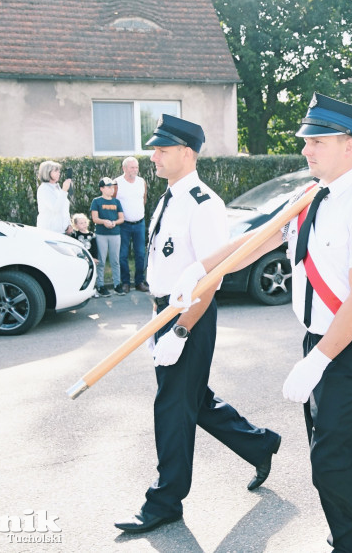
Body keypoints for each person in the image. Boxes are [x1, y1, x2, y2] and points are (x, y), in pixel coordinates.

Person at [170, 95, 352, 552]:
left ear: (348, 145)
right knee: (325, 458)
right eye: (306, 141)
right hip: (317, 341)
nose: (306, 150)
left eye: (317, 141)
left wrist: (318, 361)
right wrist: (201, 270)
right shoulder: (309, 198)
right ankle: (348, 539)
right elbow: (254, 241)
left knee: (331, 460)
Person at [114, 114, 281, 534]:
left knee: (172, 407)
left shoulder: (204, 204)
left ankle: (165, 500)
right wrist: (157, 316)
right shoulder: (169, 196)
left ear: (186, 154)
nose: (153, 156)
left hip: (189, 316)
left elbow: (212, 277)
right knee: (190, 399)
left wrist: (181, 329)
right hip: (165, 313)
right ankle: (259, 442)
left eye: (162, 150)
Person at [115, 156, 149, 293]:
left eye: (136, 167)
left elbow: (144, 199)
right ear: (124, 168)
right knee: (122, 254)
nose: (135, 170)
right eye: (132, 167)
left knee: (140, 254)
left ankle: (140, 282)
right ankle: (125, 283)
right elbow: (113, 203)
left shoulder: (141, 182)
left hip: (139, 223)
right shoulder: (117, 183)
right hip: (123, 225)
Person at [90, 177, 125, 297]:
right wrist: (104, 221)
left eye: (112, 187)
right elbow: (95, 218)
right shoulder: (96, 201)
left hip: (115, 234)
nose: (112, 189)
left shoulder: (116, 202)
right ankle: (100, 285)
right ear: (102, 188)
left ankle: (117, 284)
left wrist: (115, 223)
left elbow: (121, 218)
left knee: (115, 260)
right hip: (101, 234)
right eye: (109, 187)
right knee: (101, 261)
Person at [36, 160, 71, 233]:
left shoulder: (57, 188)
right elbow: (55, 208)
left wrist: (68, 224)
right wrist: (64, 190)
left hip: (61, 231)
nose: (59, 173)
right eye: (56, 171)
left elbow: (64, 209)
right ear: (47, 172)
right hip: (49, 231)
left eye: (59, 171)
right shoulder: (44, 189)